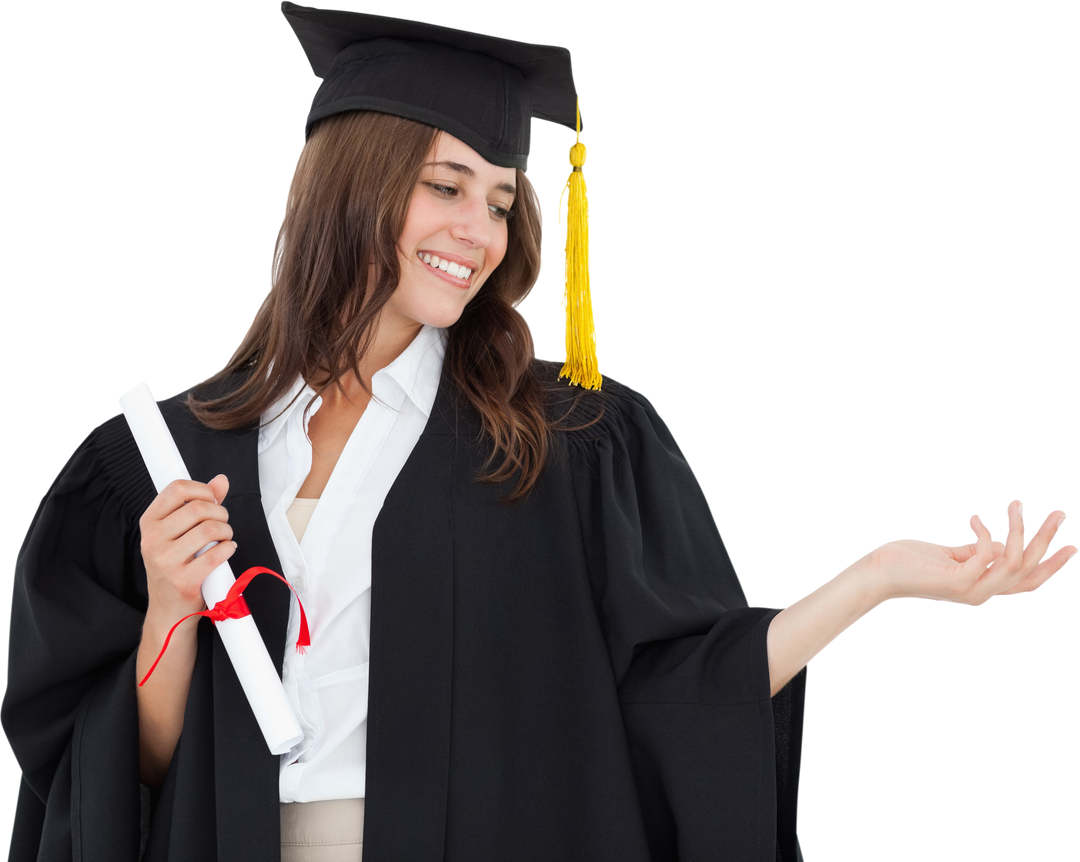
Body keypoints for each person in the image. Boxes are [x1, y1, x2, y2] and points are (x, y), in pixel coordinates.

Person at [3, 4, 1075, 861]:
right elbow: (112, 778)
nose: (480, 230)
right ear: (353, 185)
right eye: (446, 185)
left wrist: (882, 575)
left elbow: (680, 690)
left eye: (503, 199)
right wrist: (171, 613)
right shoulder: (167, 457)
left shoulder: (565, 442)